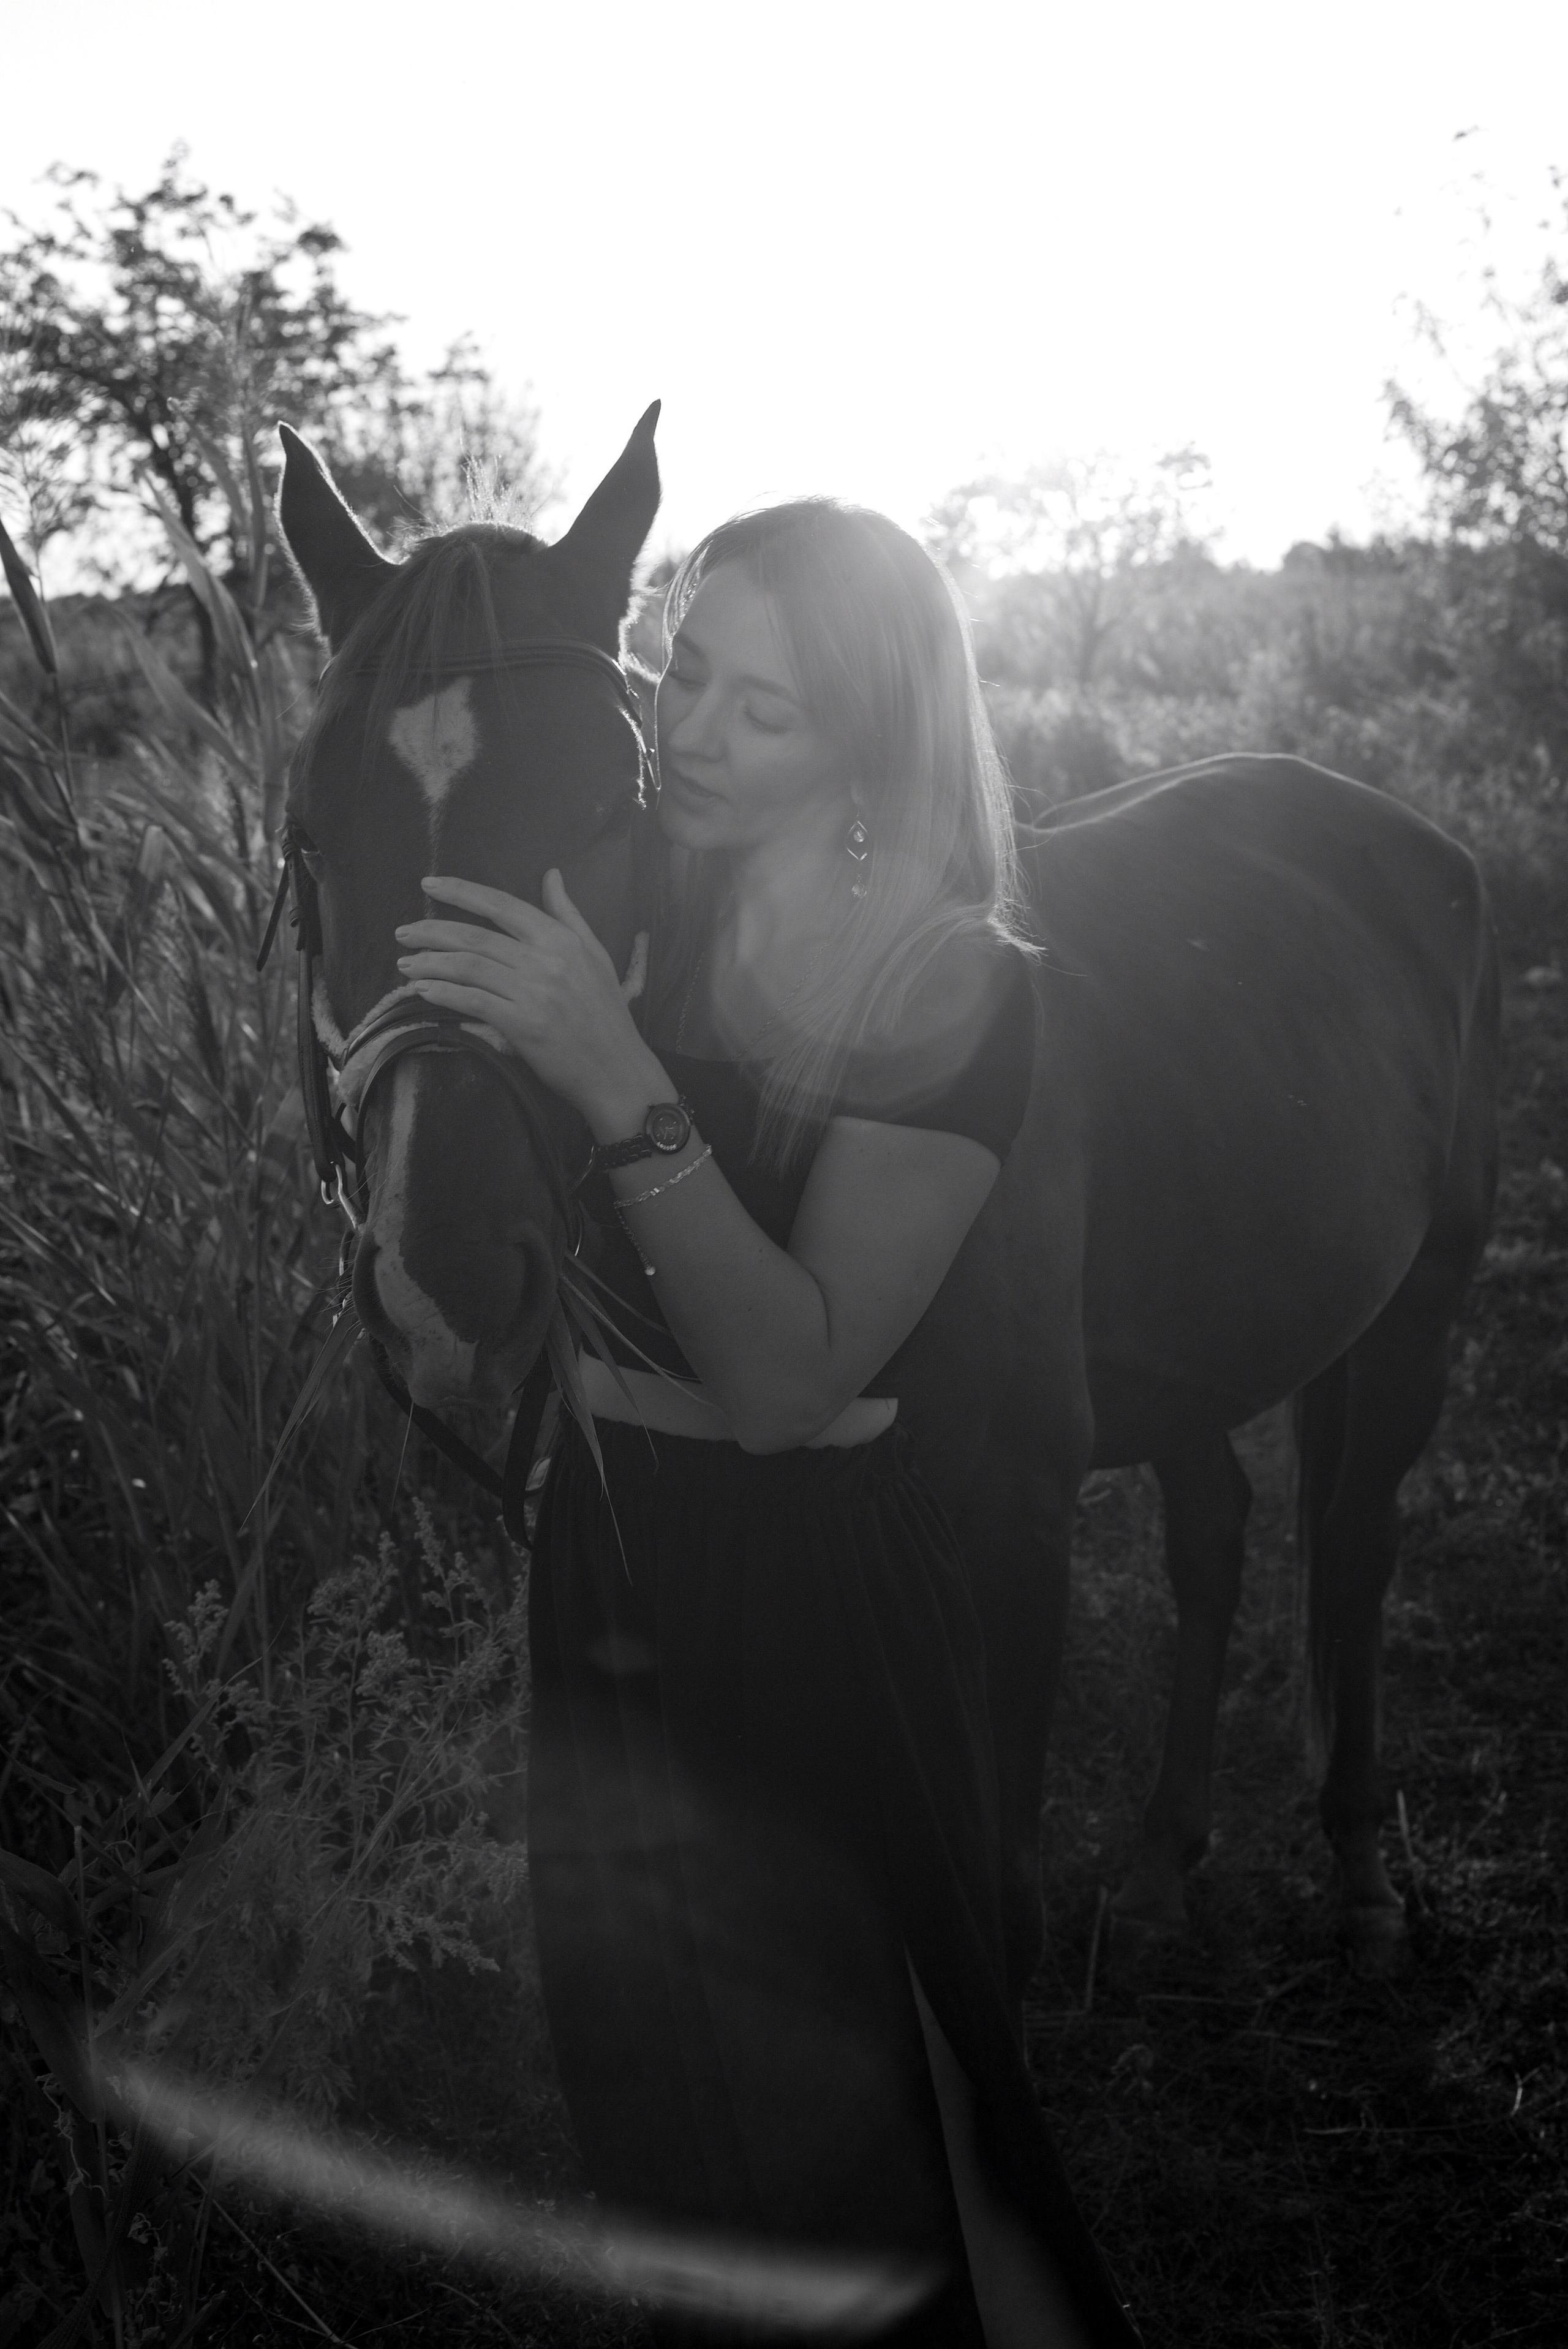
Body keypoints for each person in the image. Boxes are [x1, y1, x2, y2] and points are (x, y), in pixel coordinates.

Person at [393, 501, 1141, 2346]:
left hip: (804, 1586)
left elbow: (791, 1373)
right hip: (612, 1544)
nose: (699, 734)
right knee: (654, 2098)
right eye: (693, 673)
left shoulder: (956, 987)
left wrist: (616, 1072)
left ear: (874, 740)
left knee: (864, 2127)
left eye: (769, 711)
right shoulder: (641, 906)